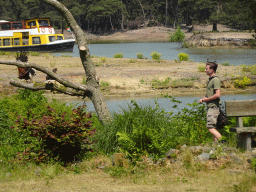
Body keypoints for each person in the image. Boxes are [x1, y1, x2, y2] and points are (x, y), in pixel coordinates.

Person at [199, 61, 222, 141]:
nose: (205, 70)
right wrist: (203, 99)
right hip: (211, 107)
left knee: (210, 127)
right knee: (213, 128)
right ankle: (216, 148)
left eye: (206, 68)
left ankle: (223, 143)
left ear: (212, 69)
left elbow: (217, 94)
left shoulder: (215, 80)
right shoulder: (211, 80)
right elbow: (210, 94)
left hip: (213, 107)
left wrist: (207, 100)